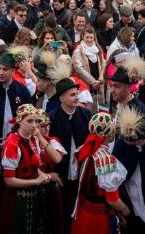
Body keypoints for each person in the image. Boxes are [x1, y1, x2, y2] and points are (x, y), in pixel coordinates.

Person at [0, 104, 58, 234]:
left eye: (37, 121)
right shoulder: (12, 143)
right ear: (19, 121)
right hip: (17, 200)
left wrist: (45, 175)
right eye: (29, 121)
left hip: (33, 197)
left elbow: (34, 167)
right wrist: (37, 181)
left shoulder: (33, 138)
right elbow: (9, 180)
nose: (34, 125)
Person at [48, 66, 92, 232]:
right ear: (61, 98)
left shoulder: (85, 115)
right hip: (61, 174)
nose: (77, 97)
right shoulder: (52, 118)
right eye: (72, 95)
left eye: (77, 94)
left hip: (80, 173)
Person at [70, 113, 130, 234]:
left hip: (83, 212)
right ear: (110, 133)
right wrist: (125, 210)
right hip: (99, 218)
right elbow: (112, 199)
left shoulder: (82, 150)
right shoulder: (106, 161)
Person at [0, 51, 34, 138]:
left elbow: (28, 114)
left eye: (5, 69)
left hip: (16, 137)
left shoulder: (22, 90)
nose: (1, 72)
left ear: (13, 71)